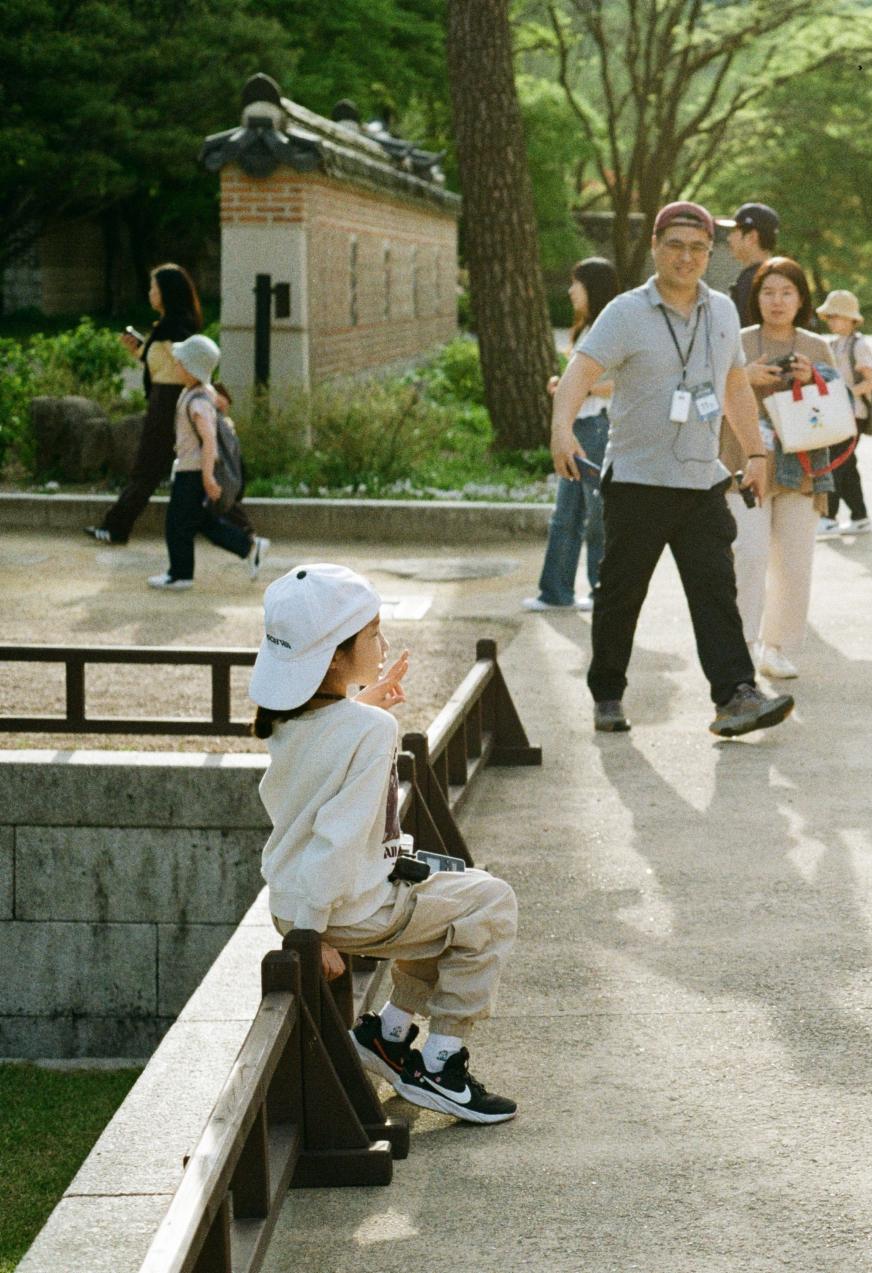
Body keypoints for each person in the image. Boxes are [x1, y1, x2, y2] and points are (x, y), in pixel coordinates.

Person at [251, 563, 518, 1124]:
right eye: (373, 635)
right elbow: (340, 838)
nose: (385, 643)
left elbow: (323, 750)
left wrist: (362, 702)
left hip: (296, 897)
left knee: (451, 896)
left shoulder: (283, 717)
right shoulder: (369, 734)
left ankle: (389, 1036)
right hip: (339, 908)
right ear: (333, 656)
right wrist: (314, 933)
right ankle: (442, 1064)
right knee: (491, 905)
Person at [548, 200, 794, 738]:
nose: (686, 257)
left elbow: (733, 384)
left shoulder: (723, 311)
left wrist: (755, 453)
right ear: (656, 248)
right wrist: (561, 428)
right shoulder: (626, 312)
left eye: (698, 248)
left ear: (710, 253)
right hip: (637, 479)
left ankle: (734, 696)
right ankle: (608, 692)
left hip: (701, 478)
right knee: (621, 595)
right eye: (675, 246)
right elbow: (579, 371)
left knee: (715, 591)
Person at [730, 259, 837, 681]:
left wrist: (813, 378)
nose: (777, 301)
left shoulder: (816, 345)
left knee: (794, 564)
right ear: (755, 298)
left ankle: (776, 647)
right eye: (768, 292)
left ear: (801, 299)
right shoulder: (737, 342)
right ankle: (740, 647)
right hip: (746, 463)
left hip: (802, 466)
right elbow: (712, 389)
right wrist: (744, 377)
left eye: (786, 293)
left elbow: (838, 401)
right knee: (749, 558)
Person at [525, 257, 619, 613]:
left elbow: (620, 383)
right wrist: (564, 385)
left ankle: (601, 592)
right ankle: (555, 592)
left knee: (596, 515)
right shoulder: (585, 329)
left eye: (575, 283)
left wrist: (587, 389)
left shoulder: (609, 329)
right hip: (580, 426)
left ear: (591, 288)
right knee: (568, 513)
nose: (569, 290)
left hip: (596, 428)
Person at [89, 264, 204, 545]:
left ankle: (115, 527)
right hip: (167, 400)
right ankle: (116, 526)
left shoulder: (171, 327)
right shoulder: (172, 325)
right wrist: (140, 350)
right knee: (165, 469)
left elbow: (186, 365)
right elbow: (167, 364)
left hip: (167, 402)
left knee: (147, 470)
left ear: (166, 293)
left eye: (154, 287)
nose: (150, 292)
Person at [147, 335, 268, 591]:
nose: (176, 365)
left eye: (180, 362)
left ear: (191, 369)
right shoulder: (200, 393)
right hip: (190, 469)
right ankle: (248, 547)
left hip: (193, 472)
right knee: (200, 521)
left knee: (177, 524)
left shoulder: (198, 402)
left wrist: (207, 477)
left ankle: (180, 574)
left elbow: (209, 440)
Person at [816, 289, 872, 538]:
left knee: (835, 464)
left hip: (854, 414)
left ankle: (828, 517)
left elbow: (871, 380)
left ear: (851, 319)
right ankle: (860, 516)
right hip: (836, 414)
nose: (832, 321)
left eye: (837, 316)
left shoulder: (858, 345)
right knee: (847, 466)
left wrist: (848, 393)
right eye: (829, 316)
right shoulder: (832, 344)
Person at [721, 203, 780, 325]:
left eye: (734, 231)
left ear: (751, 237)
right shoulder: (783, 276)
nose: (729, 238)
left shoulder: (753, 281)